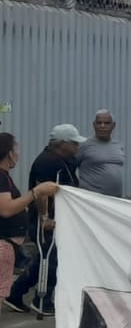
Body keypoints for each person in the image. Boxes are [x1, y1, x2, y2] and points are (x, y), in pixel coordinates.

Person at [7, 124, 82, 317]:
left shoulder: (64, 159)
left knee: (44, 259)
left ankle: (15, 293)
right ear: (62, 144)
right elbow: (42, 192)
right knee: (50, 260)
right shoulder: (47, 162)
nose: (77, 147)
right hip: (46, 219)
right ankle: (42, 300)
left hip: (60, 217)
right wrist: (45, 217)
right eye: (74, 143)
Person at [0, 133, 60, 328]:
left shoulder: (5, 176)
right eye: (16, 149)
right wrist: (35, 192)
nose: (18, 153)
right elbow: (6, 209)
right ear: (8, 153)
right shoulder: (1, 178)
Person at [78, 109, 126, 196]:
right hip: (91, 200)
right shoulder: (84, 145)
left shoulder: (118, 145)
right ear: (94, 125)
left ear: (113, 125)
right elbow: (69, 168)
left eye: (107, 123)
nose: (102, 126)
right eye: (99, 123)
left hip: (115, 200)